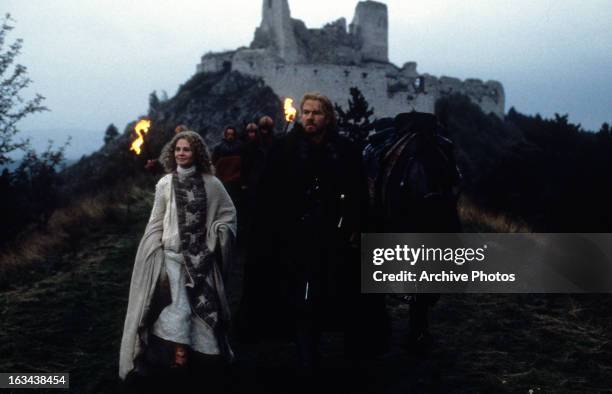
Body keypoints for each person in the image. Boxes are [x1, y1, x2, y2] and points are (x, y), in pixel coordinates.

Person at [243, 93, 367, 372]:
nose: (310, 117)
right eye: (306, 112)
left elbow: (358, 192)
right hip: (294, 235)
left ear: (328, 117)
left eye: (317, 113)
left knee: (330, 292)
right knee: (300, 294)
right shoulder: (284, 149)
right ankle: (305, 354)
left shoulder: (344, 150)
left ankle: (328, 344)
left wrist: (355, 225)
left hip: (332, 235)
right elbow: (266, 193)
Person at [120, 130, 237, 389]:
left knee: (203, 316)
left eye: (186, 149)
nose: (181, 153)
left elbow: (228, 215)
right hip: (171, 261)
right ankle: (177, 364)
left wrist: (218, 234)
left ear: (197, 153)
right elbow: (156, 219)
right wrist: (153, 247)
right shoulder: (165, 184)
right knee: (176, 313)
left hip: (200, 263)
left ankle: (205, 366)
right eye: (177, 149)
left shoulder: (211, 184)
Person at [212, 126, 242, 204]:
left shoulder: (240, 146)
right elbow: (214, 162)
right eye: (228, 134)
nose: (230, 136)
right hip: (224, 179)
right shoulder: (219, 147)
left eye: (232, 134)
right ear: (225, 135)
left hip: (236, 180)